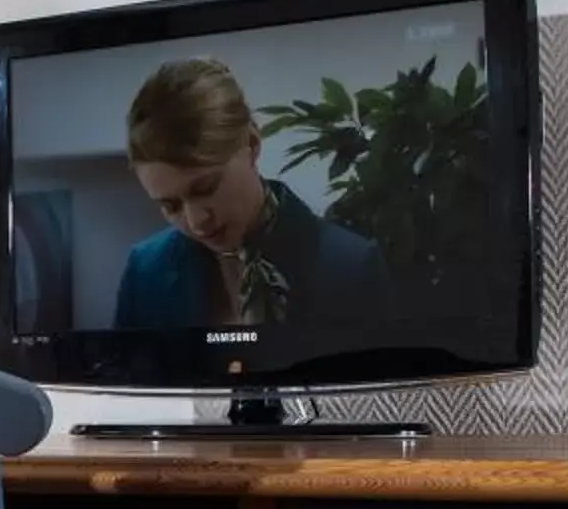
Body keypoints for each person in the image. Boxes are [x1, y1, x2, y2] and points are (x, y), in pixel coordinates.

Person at [110, 58, 395, 332]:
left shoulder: (351, 266)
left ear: (252, 143)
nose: (196, 222)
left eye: (206, 188)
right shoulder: (145, 271)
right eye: (170, 206)